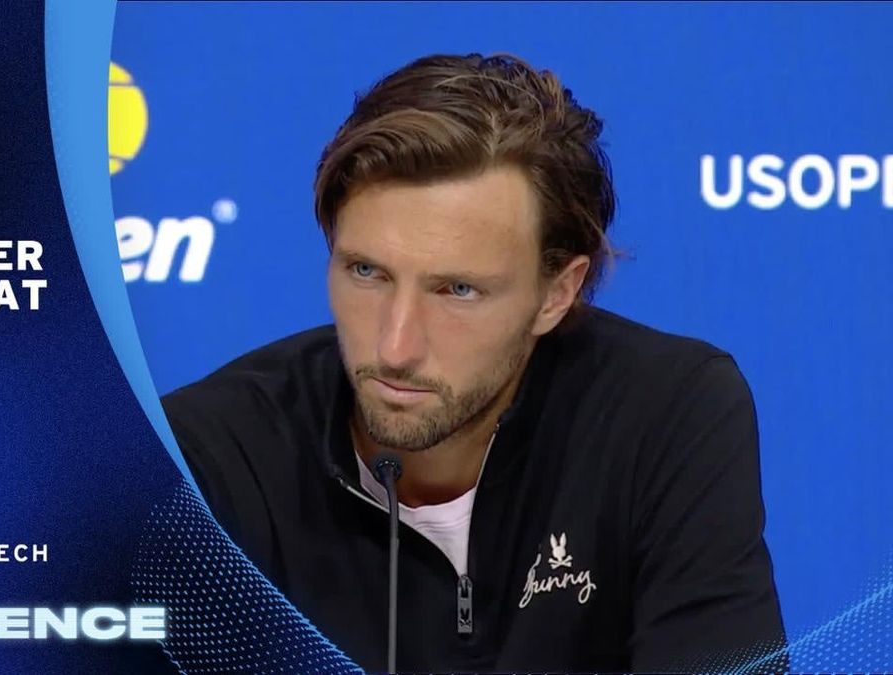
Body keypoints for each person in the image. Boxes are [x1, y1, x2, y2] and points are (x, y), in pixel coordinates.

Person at [161, 53, 787, 673]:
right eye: (367, 272)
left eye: (458, 290)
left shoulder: (666, 414)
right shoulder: (202, 457)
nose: (395, 348)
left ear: (557, 293)